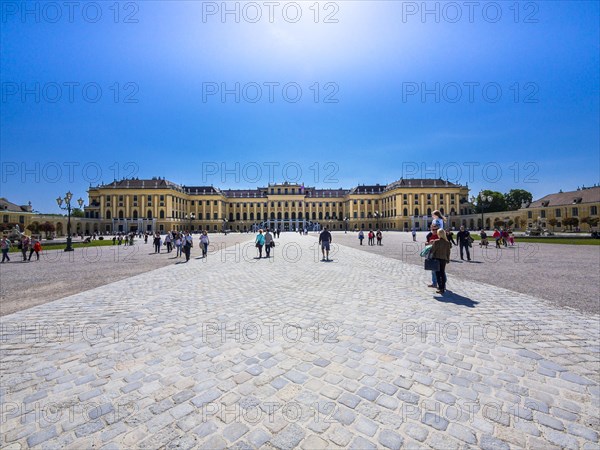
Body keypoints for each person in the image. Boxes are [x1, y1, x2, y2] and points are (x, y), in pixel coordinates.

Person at [431, 229, 452, 295]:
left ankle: (440, 288)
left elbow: (433, 250)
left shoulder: (436, 242)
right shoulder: (447, 242)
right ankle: (443, 287)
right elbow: (448, 252)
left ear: (438, 234)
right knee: (442, 273)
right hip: (444, 259)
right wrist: (448, 259)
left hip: (437, 258)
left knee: (437, 274)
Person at [426, 223, 440, 288]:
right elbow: (426, 243)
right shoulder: (429, 235)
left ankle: (442, 284)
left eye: (436, 229)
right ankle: (434, 283)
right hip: (431, 253)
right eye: (433, 229)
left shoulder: (440, 234)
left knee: (440, 269)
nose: (434, 230)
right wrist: (428, 243)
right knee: (433, 269)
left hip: (439, 253)